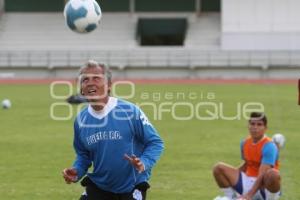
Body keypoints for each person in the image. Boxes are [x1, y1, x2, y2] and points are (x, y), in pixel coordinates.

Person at [62, 60, 164, 200]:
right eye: (85, 79)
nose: (90, 83)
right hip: (99, 186)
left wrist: (144, 162)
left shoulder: (129, 111)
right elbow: (84, 155)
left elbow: (155, 142)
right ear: (81, 88)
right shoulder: (81, 120)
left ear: (109, 85)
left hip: (131, 187)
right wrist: (76, 171)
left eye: (96, 78)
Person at [213, 112, 281, 200]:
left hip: (264, 186)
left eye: (259, 124)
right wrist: (231, 175)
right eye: (252, 124)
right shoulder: (244, 143)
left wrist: (249, 195)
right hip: (249, 181)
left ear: (265, 128)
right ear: (248, 126)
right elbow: (247, 164)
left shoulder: (269, 146)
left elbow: (262, 174)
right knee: (218, 168)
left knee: (273, 174)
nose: (255, 127)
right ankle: (231, 197)